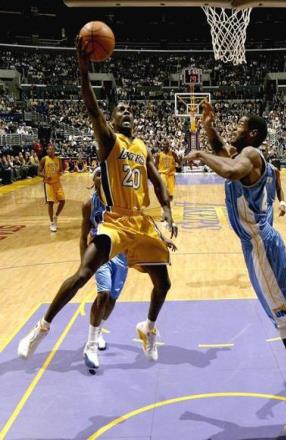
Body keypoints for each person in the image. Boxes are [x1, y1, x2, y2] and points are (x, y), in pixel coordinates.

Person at [18, 36, 178, 363]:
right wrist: (83, 68)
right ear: (112, 120)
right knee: (82, 275)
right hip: (115, 221)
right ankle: (42, 327)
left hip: (141, 223)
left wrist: (167, 209)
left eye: (130, 110)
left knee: (163, 284)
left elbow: (157, 179)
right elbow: (91, 105)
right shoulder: (109, 140)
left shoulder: (142, 147)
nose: (127, 113)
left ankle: (148, 327)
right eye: (121, 110)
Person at [185, 103, 286, 439]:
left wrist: (200, 154)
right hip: (264, 242)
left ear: (252, 133)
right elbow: (223, 152)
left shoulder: (249, 155)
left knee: (284, 322)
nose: (233, 129)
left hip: (260, 246)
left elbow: (230, 170)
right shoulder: (244, 154)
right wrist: (208, 128)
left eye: (239, 125)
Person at [80, 167, 129, 369]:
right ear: (93, 180)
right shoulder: (89, 204)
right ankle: (90, 344)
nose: (101, 177)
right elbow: (82, 236)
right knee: (104, 293)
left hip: (120, 255)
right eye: (98, 174)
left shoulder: (120, 201)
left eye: (104, 174)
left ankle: (98, 330)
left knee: (112, 299)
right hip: (99, 252)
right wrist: (83, 265)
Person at [39, 144, 65, 232]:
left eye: (52, 149)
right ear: (47, 151)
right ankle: (52, 223)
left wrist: (61, 171)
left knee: (63, 201)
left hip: (57, 183)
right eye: (49, 149)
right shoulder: (44, 159)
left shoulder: (58, 159)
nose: (50, 151)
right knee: (51, 203)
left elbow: (61, 170)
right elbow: (38, 172)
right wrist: (45, 176)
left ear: (54, 151)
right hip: (48, 184)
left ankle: (55, 216)